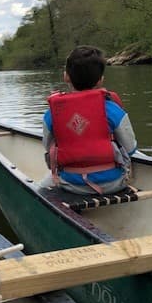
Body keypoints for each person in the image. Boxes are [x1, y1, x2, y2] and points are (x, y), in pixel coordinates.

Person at [40, 45, 137, 195]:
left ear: (66, 76)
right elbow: (130, 148)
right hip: (113, 184)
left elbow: (48, 148)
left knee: (42, 188)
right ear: (101, 80)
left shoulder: (52, 113)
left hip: (69, 184)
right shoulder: (113, 110)